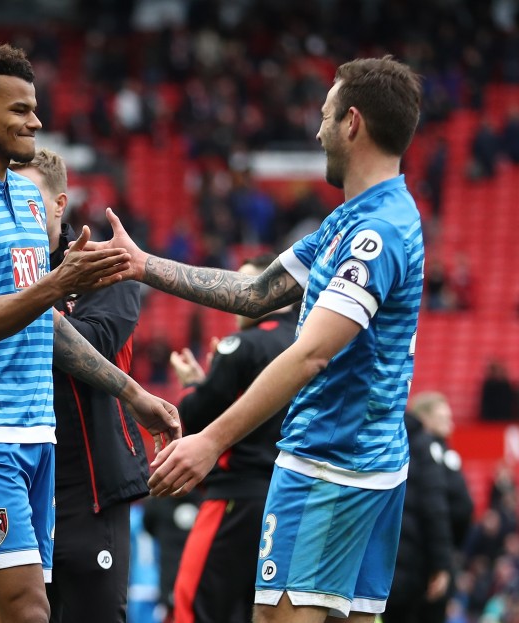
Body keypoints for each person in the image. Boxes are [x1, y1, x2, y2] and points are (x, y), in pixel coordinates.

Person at [91, 56, 425, 622]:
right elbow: (259, 293)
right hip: (370, 464)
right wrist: (142, 265)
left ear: (351, 123)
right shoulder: (360, 219)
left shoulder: (374, 233)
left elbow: (312, 352)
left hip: (328, 465)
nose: (317, 130)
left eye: (324, 115)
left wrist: (210, 440)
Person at [0, 42, 180, 623]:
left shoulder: (27, 199)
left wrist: (133, 394)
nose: (37, 120)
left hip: (38, 433)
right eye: (20, 110)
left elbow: (44, 321)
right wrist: (58, 284)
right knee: (29, 608)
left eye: (35, 107)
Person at [11, 149, 149, 623]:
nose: (16, 211)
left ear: (59, 204)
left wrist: (21, 300)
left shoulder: (106, 265)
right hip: (13, 481)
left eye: (28, 199)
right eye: (6, 199)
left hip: (86, 490)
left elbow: (98, 341)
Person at [169, 253, 297, 623]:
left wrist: (194, 387)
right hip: (289, 500)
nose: (239, 294)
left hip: (235, 500)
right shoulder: (311, 343)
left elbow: (196, 415)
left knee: (195, 607)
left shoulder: (241, 346)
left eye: (248, 285)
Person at [406, 392, 474, 623]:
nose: (451, 424)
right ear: (424, 418)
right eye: (443, 418)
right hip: (421, 565)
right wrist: (442, 563)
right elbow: (437, 511)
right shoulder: (429, 451)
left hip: (407, 562)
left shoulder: (407, 449)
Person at [382, 408, 451, 623]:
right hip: (410, 566)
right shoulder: (424, 445)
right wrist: (441, 564)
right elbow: (435, 508)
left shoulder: (375, 430)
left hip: (370, 557)